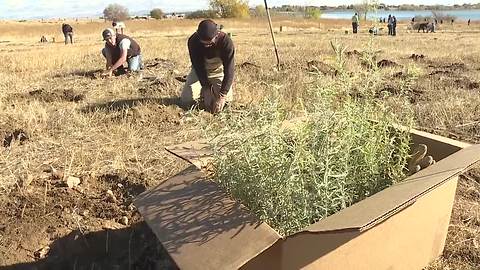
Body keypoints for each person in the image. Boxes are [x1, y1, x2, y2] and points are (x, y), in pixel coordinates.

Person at [181, 19, 235, 113]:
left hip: (217, 70)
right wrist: (206, 88)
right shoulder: (193, 41)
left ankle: (213, 93)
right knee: (186, 99)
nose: (207, 46)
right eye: (204, 43)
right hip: (200, 71)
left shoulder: (226, 42)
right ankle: (203, 93)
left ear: (217, 34)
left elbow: (229, 69)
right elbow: (198, 66)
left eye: (210, 43)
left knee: (227, 102)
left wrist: (222, 95)